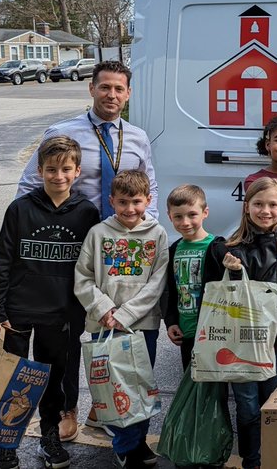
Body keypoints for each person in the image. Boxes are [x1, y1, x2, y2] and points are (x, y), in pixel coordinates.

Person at [18, 60, 158, 437]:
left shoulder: (139, 137)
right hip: (72, 246)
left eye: (119, 89)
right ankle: (67, 409)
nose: (111, 95)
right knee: (67, 334)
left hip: (120, 250)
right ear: (91, 89)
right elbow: (29, 185)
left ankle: (103, 404)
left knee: (111, 327)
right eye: (105, 87)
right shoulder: (64, 132)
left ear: (128, 94)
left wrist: (148, 232)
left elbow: (151, 189)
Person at [0, 136, 101, 469]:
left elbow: (90, 268)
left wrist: (81, 314)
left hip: (60, 313)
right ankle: (5, 444)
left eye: (65, 169)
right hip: (17, 311)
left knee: (53, 381)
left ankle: (50, 436)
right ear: (40, 170)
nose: (58, 176)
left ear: (77, 171)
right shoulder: (20, 209)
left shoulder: (87, 213)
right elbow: (2, 260)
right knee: (13, 380)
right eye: (51, 169)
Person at [207, 176, 277, 469]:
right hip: (241, 341)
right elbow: (222, 289)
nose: (266, 210)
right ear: (247, 208)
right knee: (247, 406)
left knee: (273, 403)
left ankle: (273, 457)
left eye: (273, 204)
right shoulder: (233, 246)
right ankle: (252, 460)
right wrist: (229, 266)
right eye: (258, 204)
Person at [73, 169, 169, 469]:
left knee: (140, 386)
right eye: (123, 202)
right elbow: (83, 277)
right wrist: (104, 309)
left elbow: (157, 282)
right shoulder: (98, 234)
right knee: (114, 388)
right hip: (105, 325)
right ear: (112, 201)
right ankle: (127, 445)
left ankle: (135, 443)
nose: (130, 209)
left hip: (142, 326)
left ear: (148, 200)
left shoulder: (158, 234)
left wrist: (125, 314)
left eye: (137, 202)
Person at [163, 184, 226, 369]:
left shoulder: (217, 248)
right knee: (190, 385)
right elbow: (171, 290)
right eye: (178, 217)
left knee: (214, 392)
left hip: (213, 334)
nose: (185, 222)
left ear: (205, 212)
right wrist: (171, 322)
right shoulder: (173, 250)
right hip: (186, 332)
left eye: (192, 215)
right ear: (169, 217)